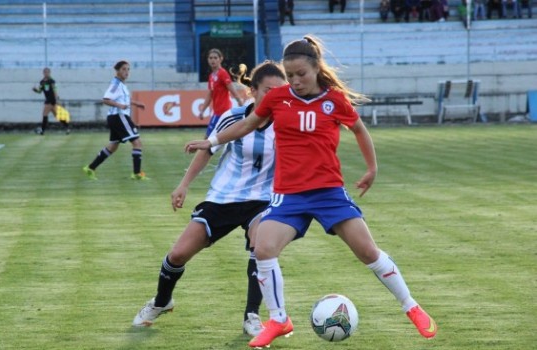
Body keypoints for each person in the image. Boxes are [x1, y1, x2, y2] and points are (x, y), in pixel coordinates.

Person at [185, 35, 438, 348]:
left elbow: (359, 129)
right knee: (263, 248)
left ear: (317, 68)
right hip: (288, 195)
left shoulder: (334, 100)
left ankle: (410, 306)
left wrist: (372, 168)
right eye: (289, 75)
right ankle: (278, 319)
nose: (295, 81)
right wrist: (211, 141)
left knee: (367, 251)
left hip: (329, 193)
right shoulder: (277, 98)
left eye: (300, 74)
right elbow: (248, 123)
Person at [132, 61, 287, 337]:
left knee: (260, 243)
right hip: (223, 198)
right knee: (177, 255)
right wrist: (183, 185)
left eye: (280, 91)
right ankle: (161, 301)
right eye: (268, 90)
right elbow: (208, 149)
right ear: (252, 91)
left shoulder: (286, 123)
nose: (275, 96)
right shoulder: (233, 116)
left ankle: (252, 316)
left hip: (262, 200)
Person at [82, 60, 147, 181]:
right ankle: (137, 173)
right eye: (124, 69)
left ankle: (90, 168)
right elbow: (106, 99)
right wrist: (119, 105)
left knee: (112, 146)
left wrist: (136, 104)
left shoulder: (121, 85)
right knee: (137, 143)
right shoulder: (115, 84)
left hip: (115, 117)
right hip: (119, 116)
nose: (127, 72)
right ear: (117, 71)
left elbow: (124, 100)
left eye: (128, 69)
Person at [196, 48, 245, 138]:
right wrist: (202, 110)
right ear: (208, 60)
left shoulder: (223, 74)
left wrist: (240, 103)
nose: (212, 60)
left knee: (208, 137)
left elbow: (232, 89)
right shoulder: (211, 76)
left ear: (221, 59)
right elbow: (210, 95)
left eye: (215, 58)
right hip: (217, 111)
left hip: (223, 111)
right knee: (225, 137)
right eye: (210, 58)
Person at [32, 67, 70, 135]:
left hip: (50, 100)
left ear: (49, 73)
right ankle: (67, 128)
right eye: (45, 72)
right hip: (50, 100)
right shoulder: (42, 82)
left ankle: (42, 131)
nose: (46, 73)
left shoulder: (51, 81)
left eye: (48, 72)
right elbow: (40, 91)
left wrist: (57, 99)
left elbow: (55, 90)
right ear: (43, 73)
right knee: (57, 115)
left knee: (44, 114)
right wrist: (35, 90)